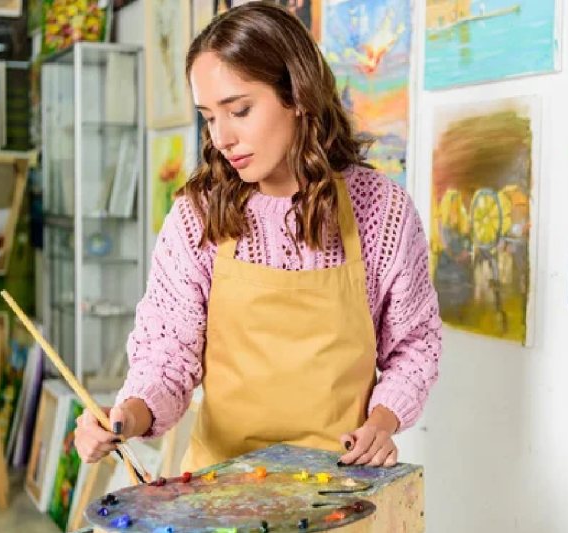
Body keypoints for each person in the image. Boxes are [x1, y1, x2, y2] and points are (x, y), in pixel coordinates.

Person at [74, 1, 441, 472]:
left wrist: (382, 422)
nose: (222, 137)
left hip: (341, 492)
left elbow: (414, 344)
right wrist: (126, 416)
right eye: (209, 117)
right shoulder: (197, 217)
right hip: (222, 494)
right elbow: (167, 358)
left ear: (299, 95)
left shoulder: (381, 211)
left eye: (239, 110)